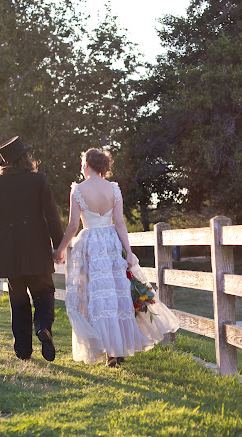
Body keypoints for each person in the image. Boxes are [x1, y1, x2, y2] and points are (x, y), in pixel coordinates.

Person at [53, 148, 179, 366]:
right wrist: (128, 252)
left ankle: (109, 350)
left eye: (82, 163)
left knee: (98, 296)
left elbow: (74, 225)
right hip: (111, 242)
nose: (81, 167)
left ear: (87, 165)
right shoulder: (113, 189)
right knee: (116, 295)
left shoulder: (78, 190)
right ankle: (116, 351)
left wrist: (61, 249)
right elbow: (120, 223)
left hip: (91, 244)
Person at [0, 136, 64, 362]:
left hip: (8, 252)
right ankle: (43, 327)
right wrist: (59, 246)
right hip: (36, 248)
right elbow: (52, 216)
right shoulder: (39, 180)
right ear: (25, 158)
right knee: (44, 292)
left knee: (18, 299)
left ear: (5, 163)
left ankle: (23, 349)